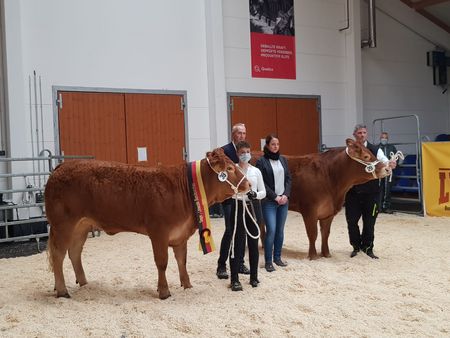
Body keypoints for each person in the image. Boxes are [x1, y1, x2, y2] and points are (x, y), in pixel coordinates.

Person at [345, 124, 397, 259]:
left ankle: (368, 247)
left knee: (369, 222)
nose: (362, 135)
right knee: (352, 221)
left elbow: (384, 161)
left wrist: (390, 164)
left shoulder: (375, 149)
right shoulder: (349, 151)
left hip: (371, 192)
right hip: (353, 192)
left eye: (364, 132)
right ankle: (356, 246)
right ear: (354, 134)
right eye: (359, 133)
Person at [229, 141, 266, 291]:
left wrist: (254, 194)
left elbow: (263, 191)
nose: (245, 155)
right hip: (238, 206)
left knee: (253, 243)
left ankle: (254, 277)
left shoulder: (256, 171)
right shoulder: (233, 170)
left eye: (248, 151)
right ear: (237, 154)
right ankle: (234, 279)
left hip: (253, 207)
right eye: (242, 152)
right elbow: (228, 190)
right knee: (237, 244)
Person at [216, 123, 250, 279]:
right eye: (239, 133)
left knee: (241, 230)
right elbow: (220, 176)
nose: (242, 136)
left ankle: (240, 263)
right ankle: (221, 265)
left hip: (243, 198)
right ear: (233, 135)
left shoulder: (246, 151)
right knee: (230, 230)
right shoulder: (224, 151)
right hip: (229, 197)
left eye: (244, 133)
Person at [256, 134, 291, 272]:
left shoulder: (283, 160)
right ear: (267, 146)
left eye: (277, 144)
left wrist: (286, 195)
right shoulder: (261, 161)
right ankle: (268, 261)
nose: (275, 146)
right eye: (273, 144)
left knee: (280, 231)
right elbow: (262, 183)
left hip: (283, 201)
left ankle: (277, 258)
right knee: (271, 230)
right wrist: (275, 196)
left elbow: (288, 178)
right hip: (269, 202)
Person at [378, 132, 398, 214]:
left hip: (389, 171)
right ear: (380, 138)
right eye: (382, 137)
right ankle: (378, 208)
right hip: (379, 171)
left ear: (387, 139)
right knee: (379, 189)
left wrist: (393, 164)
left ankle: (386, 207)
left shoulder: (392, 147)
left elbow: (395, 159)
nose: (384, 139)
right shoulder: (377, 147)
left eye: (385, 138)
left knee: (387, 190)